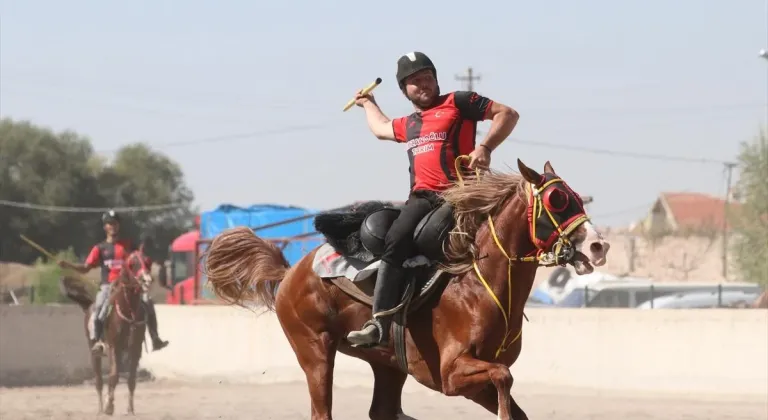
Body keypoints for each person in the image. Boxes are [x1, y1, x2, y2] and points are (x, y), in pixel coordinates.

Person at [346, 51, 520, 347]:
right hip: (421, 198)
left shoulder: (459, 102)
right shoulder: (409, 123)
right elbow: (381, 129)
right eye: (415, 82)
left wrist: (486, 148)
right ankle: (380, 323)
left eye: (428, 78)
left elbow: (507, 114)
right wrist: (368, 104)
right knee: (396, 237)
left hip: (459, 195)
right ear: (404, 90)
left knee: (441, 236)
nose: (423, 85)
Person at [59, 210, 131, 354]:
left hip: (126, 286)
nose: (113, 226)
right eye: (110, 224)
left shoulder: (127, 245)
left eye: (115, 223)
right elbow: (86, 268)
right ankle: (99, 341)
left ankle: (154, 338)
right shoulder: (99, 248)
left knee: (145, 304)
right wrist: (69, 265)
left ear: (119, 226)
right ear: (105, 227)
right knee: (98, 310)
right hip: (107, 286)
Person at [125, 233, 169, 352]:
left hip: (134, 288)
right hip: (135, 290)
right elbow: (141, 274)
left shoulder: (137, 257)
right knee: (149, 306)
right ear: (142, 245)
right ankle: (155, 338)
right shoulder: (140, 257)